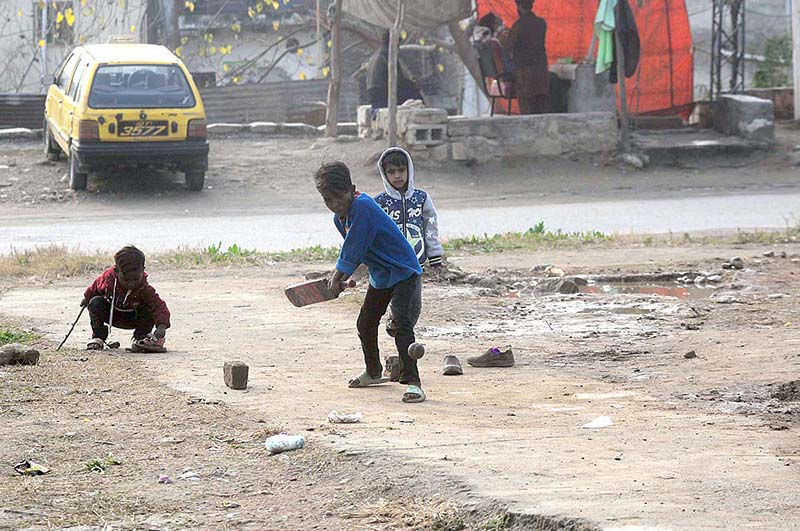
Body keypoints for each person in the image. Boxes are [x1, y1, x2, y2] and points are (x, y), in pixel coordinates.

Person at [314, 161, 426, 403]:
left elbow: (352, 248)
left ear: (352, 189)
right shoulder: (340, 218)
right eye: (328, 201)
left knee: (401, 325)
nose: (335, 205)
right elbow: (359, 249)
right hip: (382, 275)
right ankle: (374, 371)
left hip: (403, 272)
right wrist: (346, 277)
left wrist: (337, 278)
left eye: (339, 198)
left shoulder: (363, 206)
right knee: (365, 322)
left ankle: (413, 382)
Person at [373, 147, 442, 378]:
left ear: (409, 170)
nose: (397, 176)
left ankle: (399, 335)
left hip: (416, 265)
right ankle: (404, 353)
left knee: (415, 307)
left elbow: (430, 226)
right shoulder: (379, 202)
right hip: (391, 267)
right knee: (400, 308)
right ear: (385, 174)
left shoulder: (421, 198)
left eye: (401, 170)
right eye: (391, 172)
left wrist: (435, 256)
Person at [81, 245, 170, 352]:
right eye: (126, 279)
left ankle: (141, 338)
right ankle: (98, 337)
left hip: (134, 318)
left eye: (136, 279)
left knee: (149, 308)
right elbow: (94, 288)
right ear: (116, 271)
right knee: (95, 302)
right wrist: (86, 299)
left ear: (143, 270)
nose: (131, 283)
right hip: (112, 314)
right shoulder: (108, 280)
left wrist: (161, 326)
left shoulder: (145, 289)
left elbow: (159, 306)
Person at [366, 30, 423, 118]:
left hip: (373, 93)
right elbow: (397, 80)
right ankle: (422, 119)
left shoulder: (377, 54)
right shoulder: (388, 55)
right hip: (382, 94)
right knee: (415, 95)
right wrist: (412, 85)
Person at [506, 0, 549, 114]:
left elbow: (508, 47)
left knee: (527, 112)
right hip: (542, 71)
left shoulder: (518, 26)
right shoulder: (542, 23)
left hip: (524, 73)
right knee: (541, 108)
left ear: (519, 6)